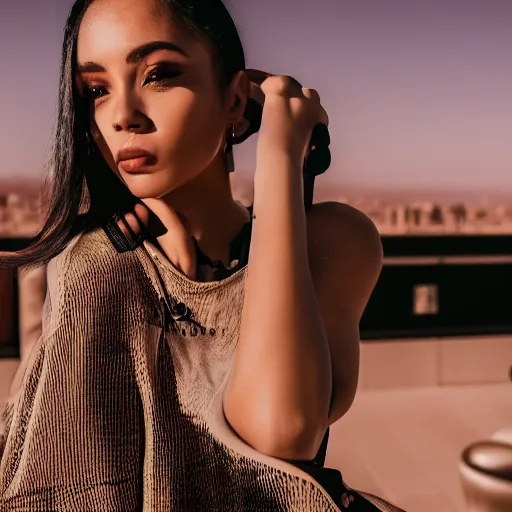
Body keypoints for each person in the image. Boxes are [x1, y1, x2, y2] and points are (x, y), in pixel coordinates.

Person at [0, 0, 405, 510]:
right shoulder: (92, 260)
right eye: (97, 90)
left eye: (159, 74)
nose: (122, 115)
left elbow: (284, 432)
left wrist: (279, 158)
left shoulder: (332, 240)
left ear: (235, 101)